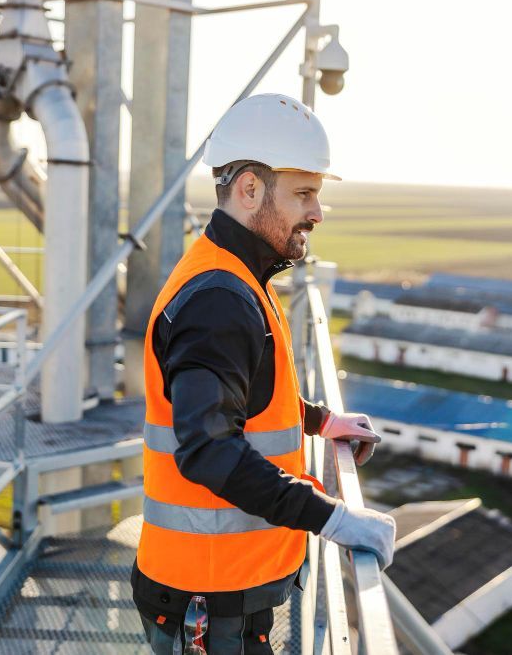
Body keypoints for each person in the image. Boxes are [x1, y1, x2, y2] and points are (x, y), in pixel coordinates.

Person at [132, 93, 396, 654]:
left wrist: (320, 422)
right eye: (304, 194)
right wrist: (333, 518)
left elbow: (245, 394)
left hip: (221, 590)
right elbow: (208, 450)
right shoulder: (220, 299)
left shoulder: (237, 277)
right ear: (250, 189)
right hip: (206, 599)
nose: (318, 213)